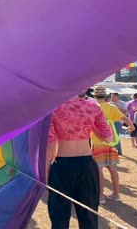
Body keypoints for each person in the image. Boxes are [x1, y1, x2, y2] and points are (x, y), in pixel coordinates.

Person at [47, 94, 113, 229]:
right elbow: (108, 138)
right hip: (87, 164)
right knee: (89, 215)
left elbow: (51, 144)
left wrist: (46, 170)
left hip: (62, 165)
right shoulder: (93, 106)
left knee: (59, 215)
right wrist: (91, 124)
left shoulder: (52, 108)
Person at [91, 87, 134, 203]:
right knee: (112, 168)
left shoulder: (93, 107)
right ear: (106, 96)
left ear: (94, 96)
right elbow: (125, 118)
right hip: (111, 142)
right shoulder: (111, 107)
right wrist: (132, 126)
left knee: (99, 170)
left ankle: (100, 197)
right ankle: (116, 194)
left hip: (97, 142)